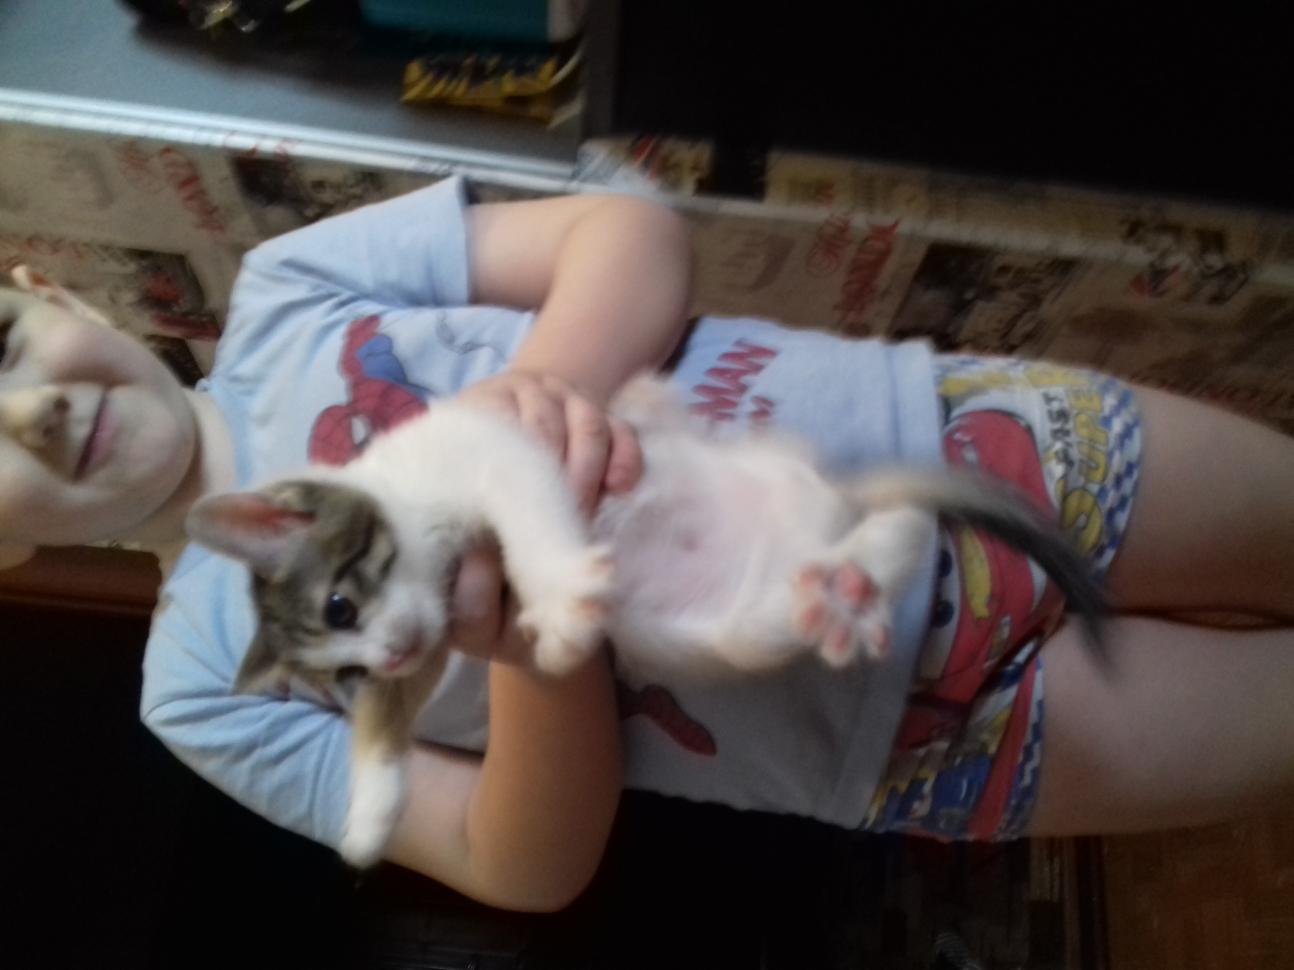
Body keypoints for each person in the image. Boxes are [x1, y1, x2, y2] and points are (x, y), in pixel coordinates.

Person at [2, 178, 1292, 913]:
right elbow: (522, 865)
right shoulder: (198, 690)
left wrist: (538, 395)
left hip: (956, 445)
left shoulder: (290, 286)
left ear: (44, 292)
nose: (37, 414)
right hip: (914, 730)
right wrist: (533, 651)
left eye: (5, 350)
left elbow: (631, 230)